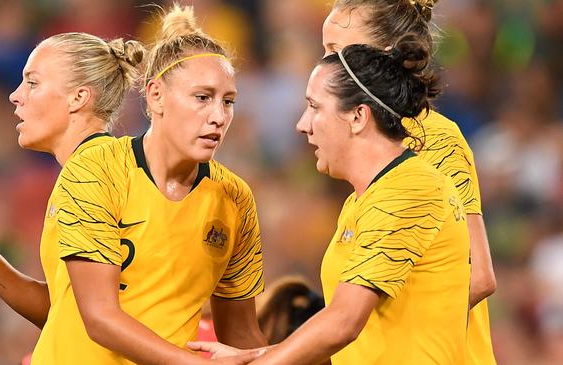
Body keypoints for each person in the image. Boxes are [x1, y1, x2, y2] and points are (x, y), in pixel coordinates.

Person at [190, 36, 471, 364]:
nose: (302, 125)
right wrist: (253, 356)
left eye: (314, 107)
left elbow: (344, 322)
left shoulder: (411, 189)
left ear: (358, 116)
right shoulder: (363, 200)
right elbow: (353, 336)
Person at [40, 4, 267, 365]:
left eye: (228, 102)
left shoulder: (234, 197)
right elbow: (100, 318)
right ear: (155, 95)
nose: (218, 116)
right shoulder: (96, 168)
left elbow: (239, 334)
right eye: (202, 98)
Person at [0, 30, 140, 357]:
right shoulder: (92, 168)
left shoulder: (88, 175)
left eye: (33, 83)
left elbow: (100, 320)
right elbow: (68, 312)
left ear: (78, 97)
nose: (15, 95)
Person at [321, 2, 497, 364]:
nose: (323, 65)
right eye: (324, 51)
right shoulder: (366, 161)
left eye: (336, 52)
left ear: (384, 56)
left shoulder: (432, 136)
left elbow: (477, 275)